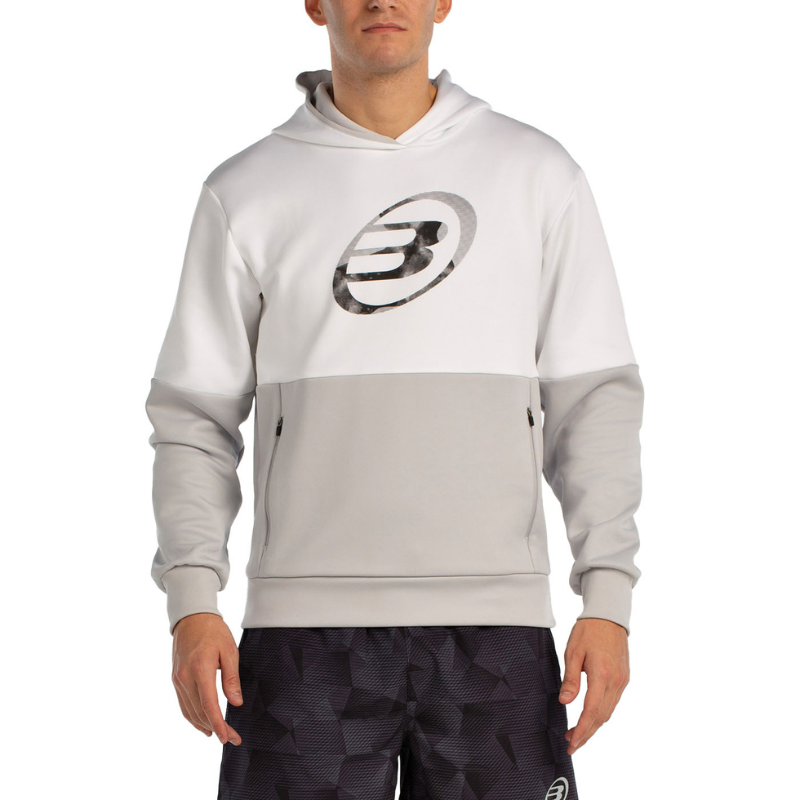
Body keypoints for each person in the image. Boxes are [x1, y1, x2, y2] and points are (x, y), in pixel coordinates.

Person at [144, 2, 644, 798]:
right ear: (315, 3)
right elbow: (194, 418)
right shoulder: (246, 191)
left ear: (444, 2)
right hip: (303, 632)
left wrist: (607, 596)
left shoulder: (538, 175)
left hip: (498, 627)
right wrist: (191, 599)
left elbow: (593, 402)